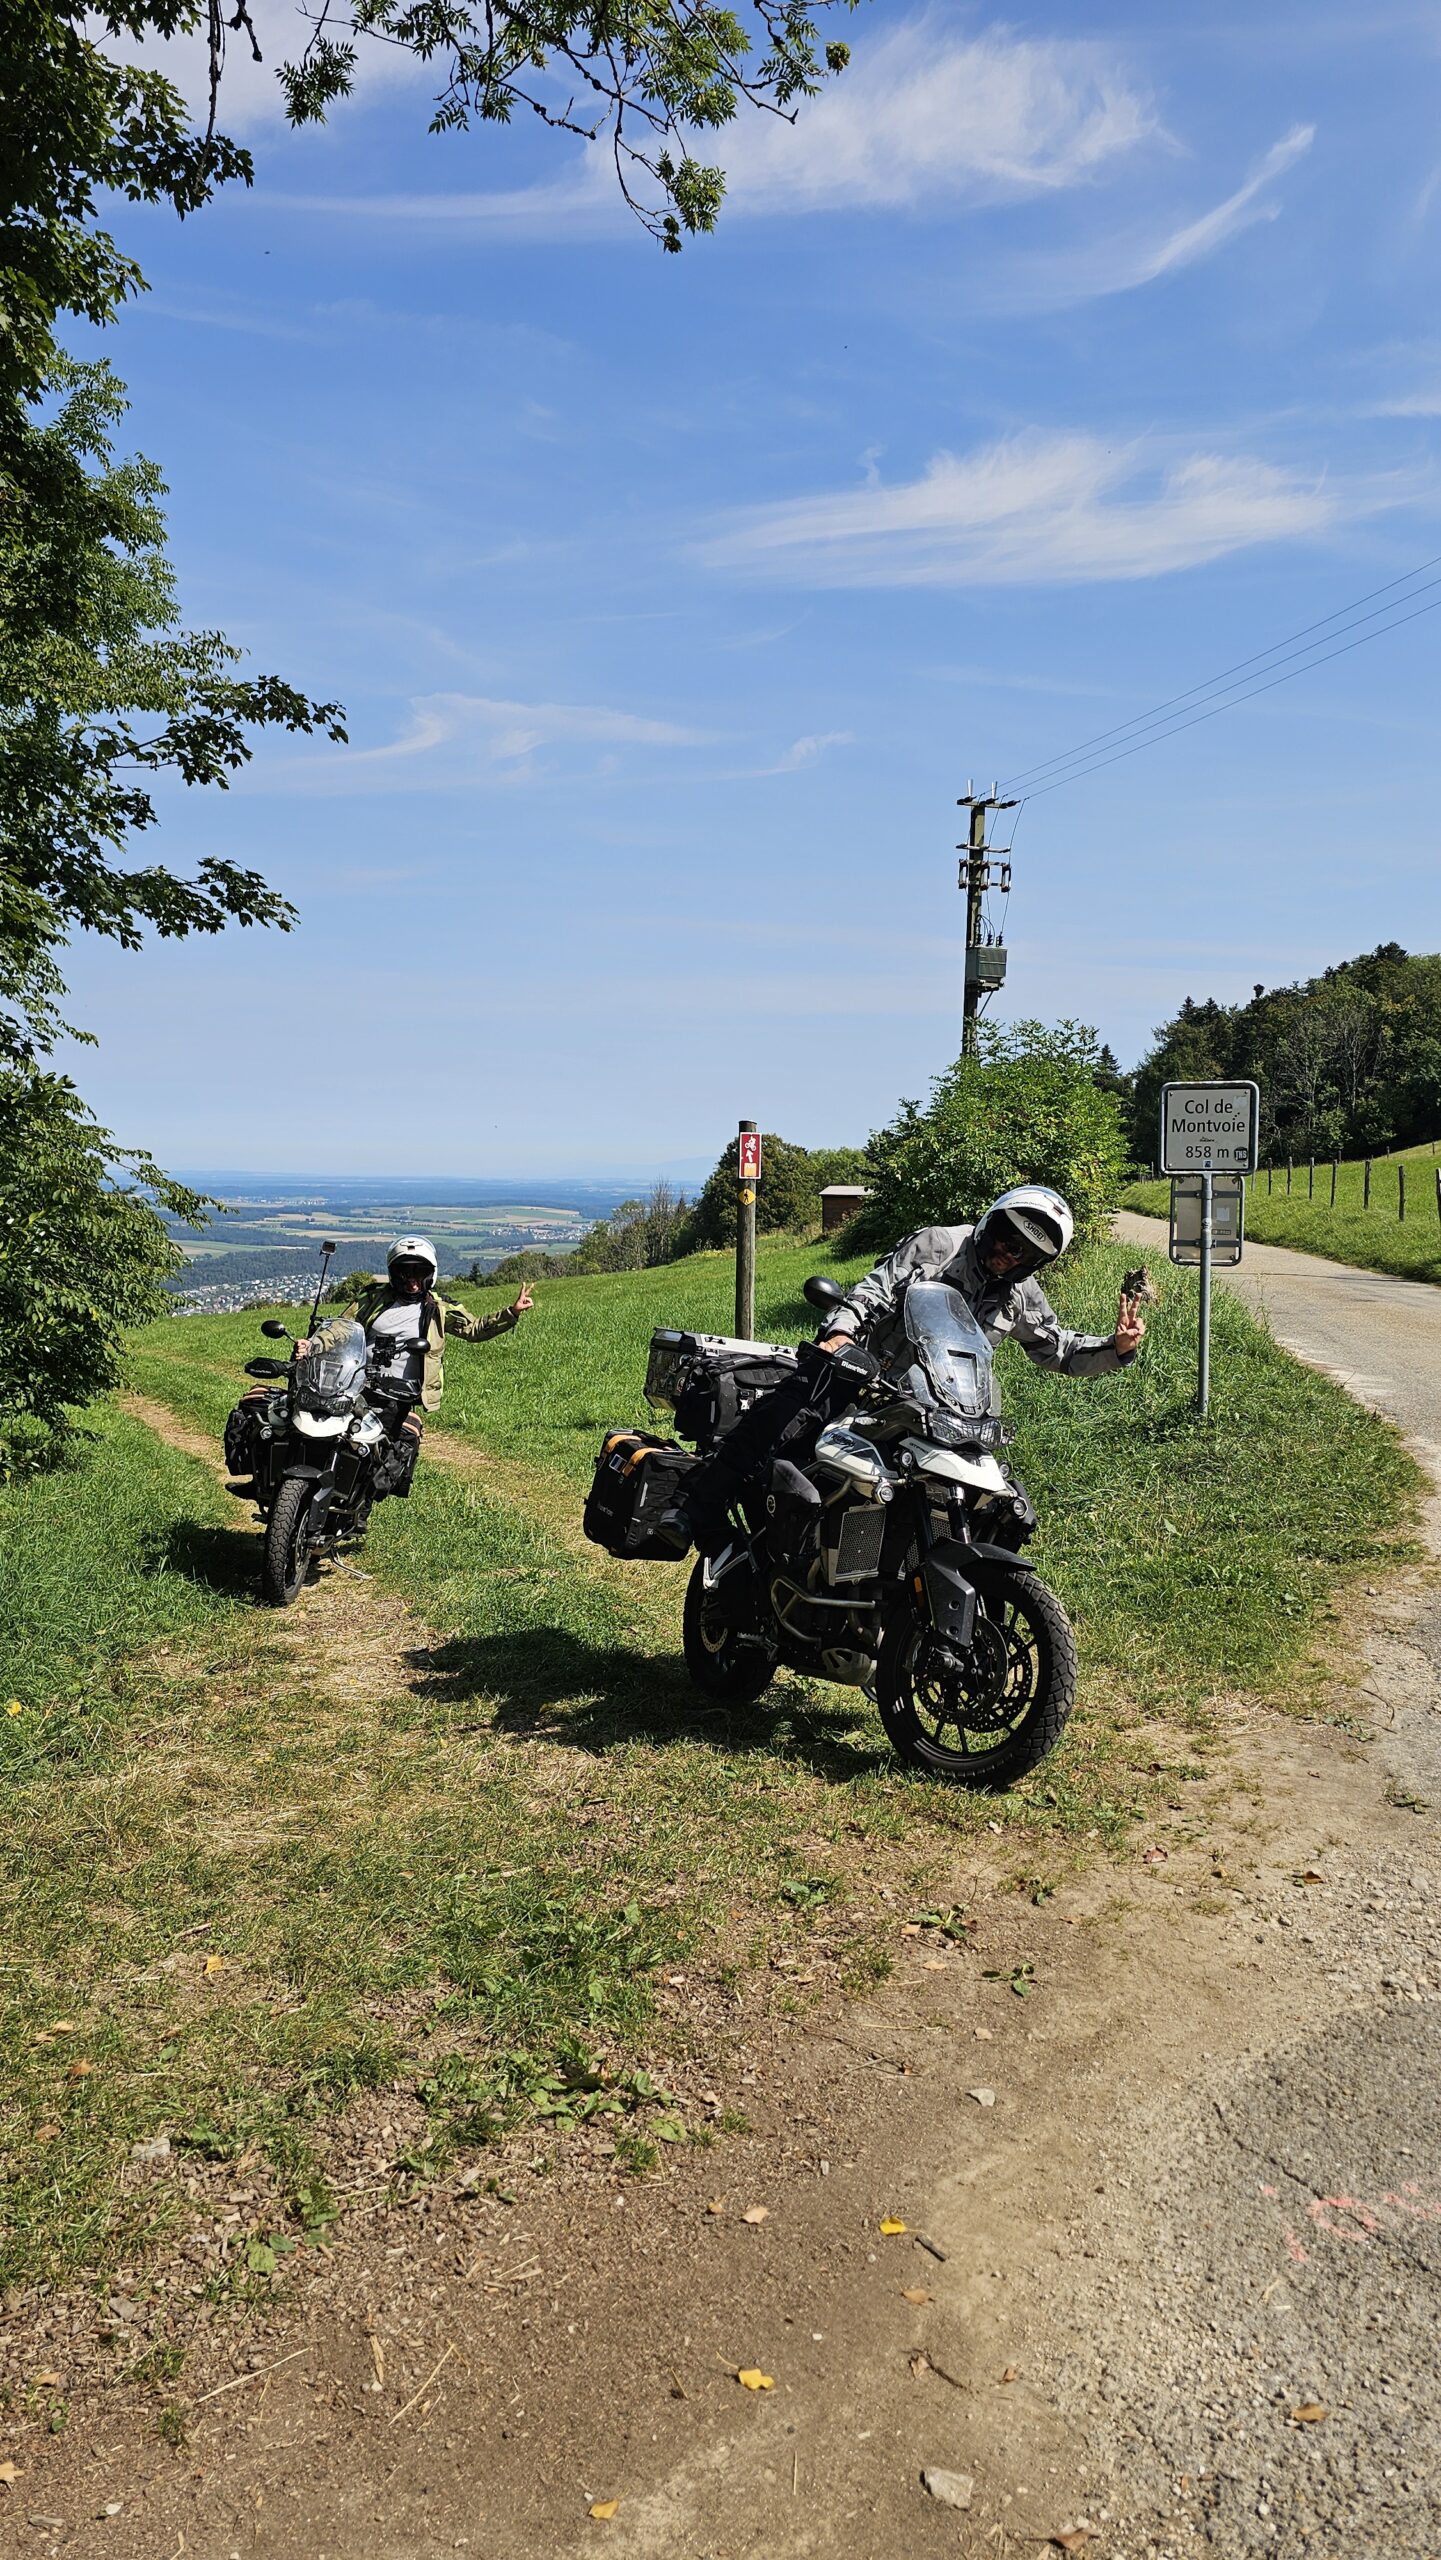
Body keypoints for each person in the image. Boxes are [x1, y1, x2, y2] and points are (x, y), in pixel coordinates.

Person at [659, 1185, 1146, 1553]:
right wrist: (842, 1333)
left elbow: (1055, 1347)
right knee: (783, 1418)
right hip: (863, 1378)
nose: (1007, 1253)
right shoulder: (938, 1247)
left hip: (938, 1410)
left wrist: (1115, 1345)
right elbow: (874, 1289)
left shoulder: (1020, 1296)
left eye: (1024, 1252)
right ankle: (690, 1508)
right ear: (991, 1223)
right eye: (1005, 1237)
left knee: (995, 1501)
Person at [227, 1235, 532, 1502]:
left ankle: (361, 1500)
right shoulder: (372, 1298)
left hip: (398, 1390)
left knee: (376, 1449)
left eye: (419, 1273)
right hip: (353, 1379)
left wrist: (511, 1313)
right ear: (393, 1273)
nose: (412, 1280)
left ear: (431, 1275)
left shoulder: (439, 1308)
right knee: (297, 1420)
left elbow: (474, 1329)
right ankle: (268, 1482)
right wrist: (312, 1345)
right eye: (405, 1272)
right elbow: (341, 1330)